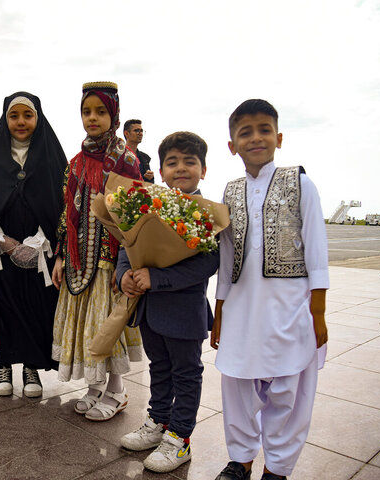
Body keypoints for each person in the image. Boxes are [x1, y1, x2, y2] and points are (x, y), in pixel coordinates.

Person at [210, 99, 329, 480]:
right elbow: (226, 260)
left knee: (288, 392)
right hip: (242, 308)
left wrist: (319, 314)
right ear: (232, 145)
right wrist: (220, 312)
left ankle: (277, 468)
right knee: (238, 387)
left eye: (264, 130)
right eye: (245, 132)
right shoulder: (229, 193)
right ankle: (240, 460)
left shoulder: (301, 183)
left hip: (289, 309)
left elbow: (317, 252)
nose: (256, 138)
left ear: (278, 137)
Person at [117, 132, 219, 473]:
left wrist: (156, 278)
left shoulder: (208, 214)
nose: (181, 168)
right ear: (160, 170)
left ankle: (180, 438)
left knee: (186, 373)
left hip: (184, 311)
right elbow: (125, 245)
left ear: (203, 170)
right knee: (158, 368)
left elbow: (207, 263)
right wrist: (125, 277)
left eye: (190, 162)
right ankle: (158, 422)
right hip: (149, 309)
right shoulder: (147, 203)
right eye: (172, 162)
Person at [51, 81, 143, 421]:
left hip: (110, 260)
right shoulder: (75, 162)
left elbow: (135, 216)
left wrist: (127, 265)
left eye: (100, 111)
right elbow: (66, 212)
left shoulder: (125, 159)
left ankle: (116, 390)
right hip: (79, 258)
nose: (93, 118)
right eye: (87, 111)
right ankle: (94, 386)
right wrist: (61, 255)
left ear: (113, 114)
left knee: (108, 324)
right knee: (88, 326)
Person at [0, 92, 67, 397]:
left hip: (41, 251)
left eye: (28, 115)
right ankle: (4, 365)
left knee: (34, 306)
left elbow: (59, 203)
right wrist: (4, 242)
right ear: (5, 119)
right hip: (1, 249)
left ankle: (30, 367)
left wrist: (37, 243)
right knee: (6, 306)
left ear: (38, 118)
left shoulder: (51, 157)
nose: (21, 122)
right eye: (14, 116)